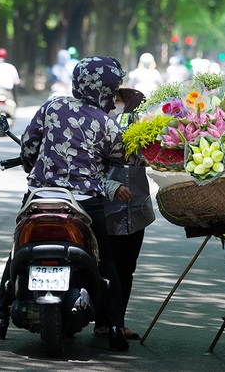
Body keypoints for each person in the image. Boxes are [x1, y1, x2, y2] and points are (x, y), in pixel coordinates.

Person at [0, 55, 146, 352]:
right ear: (107, 88)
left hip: (41, 196)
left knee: (16, 253)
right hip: (85, 202)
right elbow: (123, 156)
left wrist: (33, 164)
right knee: (107, 263)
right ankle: (113, 326)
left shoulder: (52, 106)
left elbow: (29, 145)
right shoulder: (107, 123)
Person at [94, 88, 155, 341]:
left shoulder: (140, 128)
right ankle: (102, 322)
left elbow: (151, 159)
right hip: (104, 207)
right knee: (104, 267)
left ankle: (118, 323)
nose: (118, 105)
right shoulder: (96, 126)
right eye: (115, 101)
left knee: (126, 268)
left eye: (122, 101)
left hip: (137, 207)